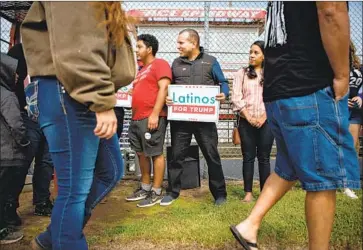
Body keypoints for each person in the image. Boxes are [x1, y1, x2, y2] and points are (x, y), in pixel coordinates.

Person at [230, 2, 360, 250]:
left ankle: (250, 225)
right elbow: (331, 10)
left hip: (279, 89)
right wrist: (343, 75)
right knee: (324, 177)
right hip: (310, 85)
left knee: (288, 166)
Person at [21, 2, 136, 250]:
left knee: (110, 170)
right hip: (71, 91)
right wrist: (101, 100)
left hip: (77, 91)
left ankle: (54, 236)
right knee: (74, 189)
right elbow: (77, 46)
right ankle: (67, 240)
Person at [164, 29, 229, 206]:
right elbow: (168, 86)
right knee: (176, 156)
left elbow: (223, 82)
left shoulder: (211, 61)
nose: (177, 46)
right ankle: (173, 192)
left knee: (212, 156)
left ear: (193, 43)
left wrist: (224, 94)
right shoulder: (176, 63)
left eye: (181, 43)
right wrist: (167, 97)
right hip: (180, 122)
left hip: (205, 122)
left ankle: (220, 195)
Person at [5, 44, 54, 226]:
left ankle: (42, 202)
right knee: (22, 161)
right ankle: (9, 207)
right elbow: (11, 80)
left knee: (46, 161)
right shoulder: (19, 51)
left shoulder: (54, 51)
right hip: (26, 116)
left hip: (49, 115)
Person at [125, 34, 171, 207]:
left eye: (139, 47)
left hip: (151, 116)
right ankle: (145, 187)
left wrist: (155, 114)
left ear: (149, 49)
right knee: (141, 153)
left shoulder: (159, 64)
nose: (136, 50)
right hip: (137, 117)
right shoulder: (141, 70)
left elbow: (164, 88)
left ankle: (156, 191)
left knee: (155, 152)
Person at [231, 41, 274, 203]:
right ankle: (248, 193)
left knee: (264, 158)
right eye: (250, 52)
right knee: (248, 157)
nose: (251, 55)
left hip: (266, 122)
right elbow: (236, 97)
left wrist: (263, 118)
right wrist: (248, 117)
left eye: (256, 52)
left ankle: (264, 192)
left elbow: (274, 98)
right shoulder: (241, 73)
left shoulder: (272, 75)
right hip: (245, 121)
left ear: (264, 56)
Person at [0, 53, 28, 245]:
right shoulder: (7, 95)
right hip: (6, 152)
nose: (17, 76)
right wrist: (24, 142)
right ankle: (2, 230)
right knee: (3, 193)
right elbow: (16, 124)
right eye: (14, 72)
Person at [343, 42, 362, 199]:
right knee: (336, 145)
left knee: (352, 146)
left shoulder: (359, 67)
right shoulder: (332, 65)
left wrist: (360, 97)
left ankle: (348, 185)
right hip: (337, 109)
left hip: (355, 112)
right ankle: (335, 180)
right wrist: (342, 100)